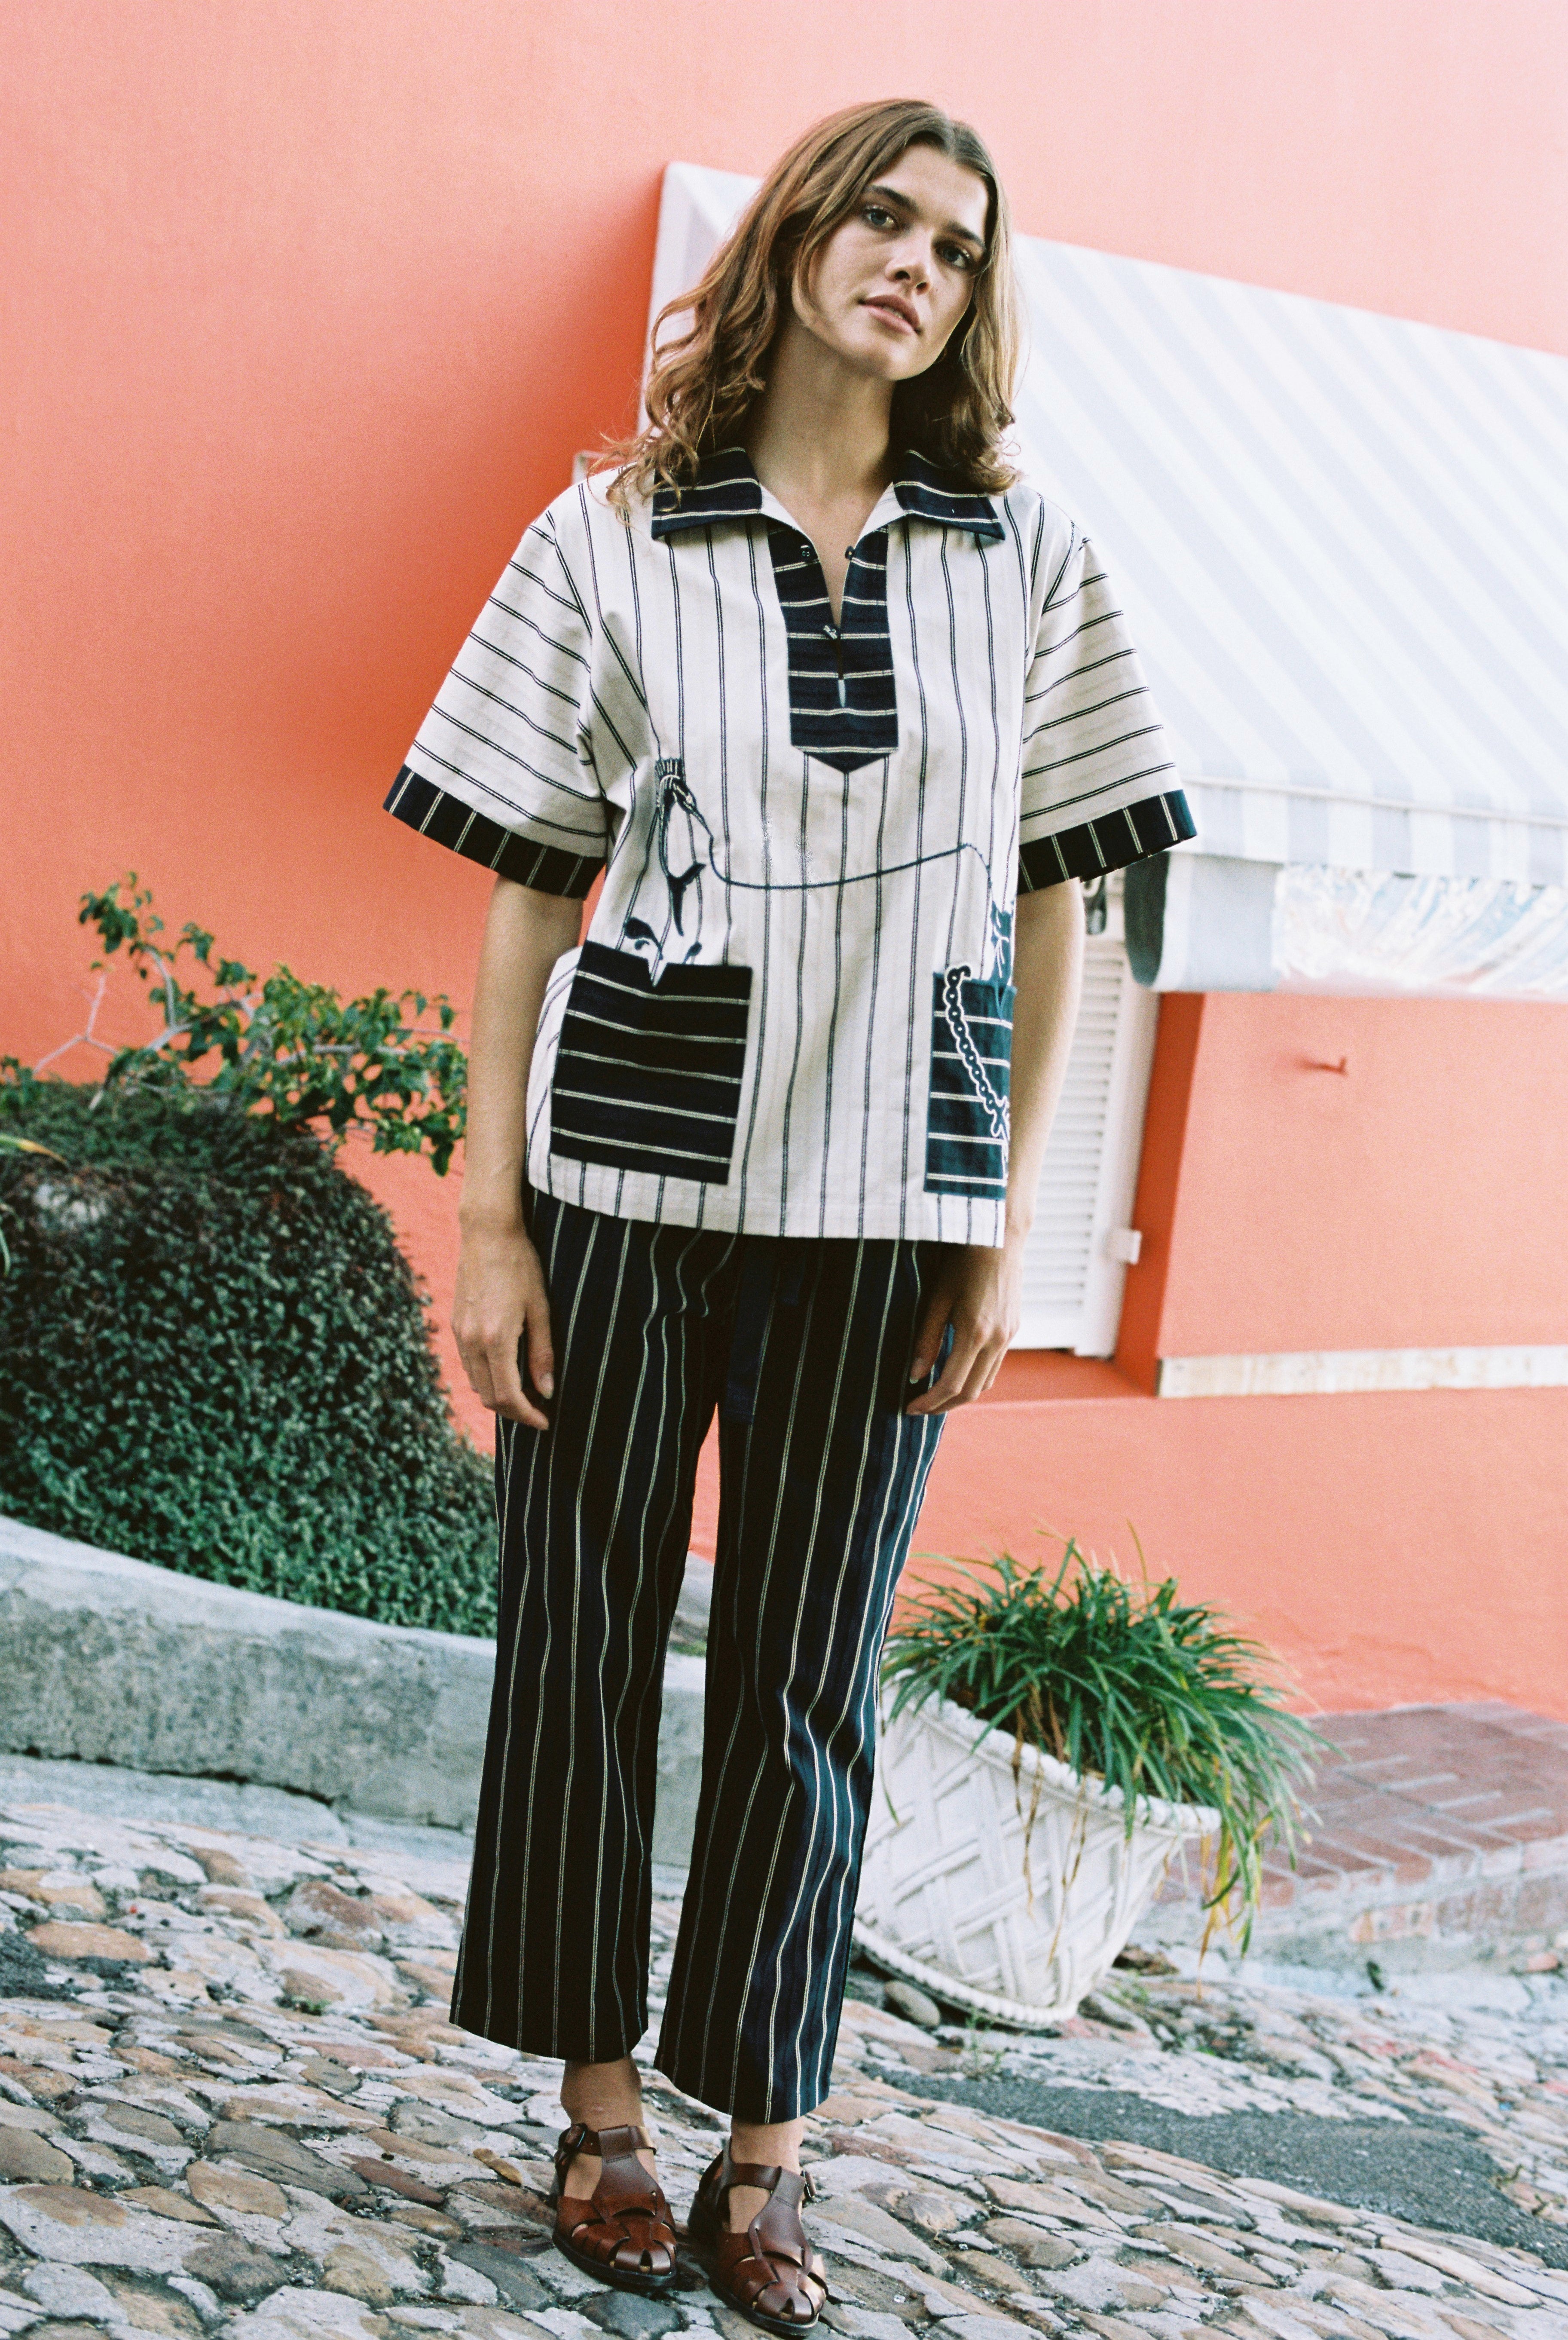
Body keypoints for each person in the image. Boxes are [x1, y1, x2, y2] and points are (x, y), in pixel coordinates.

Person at [385, 96, 1192, 2333]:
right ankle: (602, 2103)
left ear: (968, 299)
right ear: (797, 241)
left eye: (955, 240)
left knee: (807, 1674)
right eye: (878, 213)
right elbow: (530, 874)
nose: (912, 259)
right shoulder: (615, 533)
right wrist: (488, 1209)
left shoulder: (1022, 559)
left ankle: (766, 2144)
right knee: (577, 1643)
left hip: (888, 1203)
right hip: (622, 1184)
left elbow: (1066, 902)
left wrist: (1003, 1212)